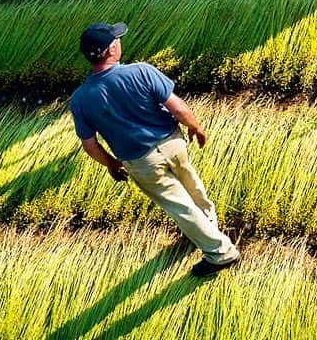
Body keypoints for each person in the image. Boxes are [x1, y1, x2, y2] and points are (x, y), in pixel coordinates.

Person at [69, 21, 240, 278]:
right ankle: (209, 224)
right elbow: (177, 106)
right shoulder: (141, 71)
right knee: (190, 182)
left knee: (180, 206)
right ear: (112, 49)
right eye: (116, 39)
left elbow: (89, 145)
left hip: (141, 162)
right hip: (173, 143)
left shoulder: (80, 98)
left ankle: (219, 252)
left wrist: (112, 163)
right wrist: (195, 127)